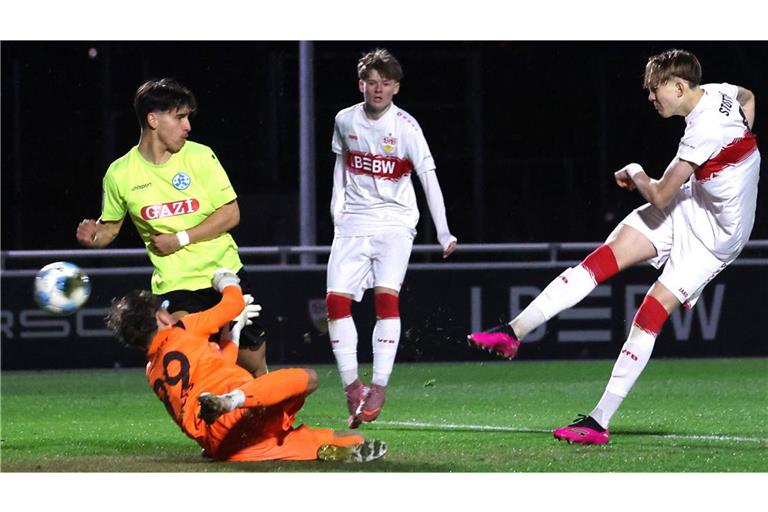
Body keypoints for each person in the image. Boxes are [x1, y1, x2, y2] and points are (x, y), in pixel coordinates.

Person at [468, 49, 760, 444]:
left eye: (655, 90)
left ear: (678, 86)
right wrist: (741, 154)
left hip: (716, 239)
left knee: (650, 312)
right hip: (691, 203)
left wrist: (635, 170)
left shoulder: (703, 130)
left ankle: (598, 422)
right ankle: (513, 331)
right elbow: (748, 97)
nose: (651, 98)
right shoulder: (716, 92)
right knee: (601, 260)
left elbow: (658, 194)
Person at [75, 78, 267, 376]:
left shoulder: (200, 156)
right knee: (187, 350)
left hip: (224, 272)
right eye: (179, 117)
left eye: (188, 117)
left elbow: (231, 213)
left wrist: (180, 238)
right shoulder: (120, 173)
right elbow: (109, 229)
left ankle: (268, 416)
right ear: (153, 120)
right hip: (176, 283)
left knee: (253, 366)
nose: (187, 125)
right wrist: (94, 236)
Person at [105, 268, 387, 462]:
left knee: (350, 441)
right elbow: (231, 303)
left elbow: (219, 365)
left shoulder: (152, 371)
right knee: (309, 378)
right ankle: (235, 400)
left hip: (221, 445)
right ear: (162, 319)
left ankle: (313, 449)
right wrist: (227, 281)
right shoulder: (182, 329)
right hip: (241, 412)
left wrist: (233, 333)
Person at [326, 48, 458, 428]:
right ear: (361, 84)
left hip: (395, 223)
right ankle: (352, 386)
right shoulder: (344, 120)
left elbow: (428, 178)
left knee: (386, 299)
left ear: (396, 88)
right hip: (352, 224)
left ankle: (379, 386)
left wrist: (443, 231)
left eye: (385, 83)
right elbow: (340, 168)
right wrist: (337, 214)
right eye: (371, 82)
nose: (378, 89)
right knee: (335, 304)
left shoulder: (406, 128)